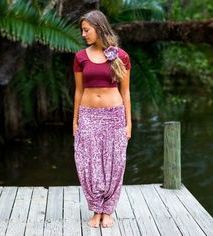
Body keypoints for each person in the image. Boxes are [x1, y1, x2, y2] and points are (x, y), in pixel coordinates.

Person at [73, 10, 131, 228]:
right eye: (82, 30)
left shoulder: (121, 56)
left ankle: (108, 210)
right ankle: (96, 208)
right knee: (88, 163)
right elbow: (78, 92)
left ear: (99, 27)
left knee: (115, 163)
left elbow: (126, 93)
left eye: (87, 30)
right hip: (88, 115)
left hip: (115, 116)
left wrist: (129, 123)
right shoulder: (80, 57)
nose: (83, 34)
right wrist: (75, 121)